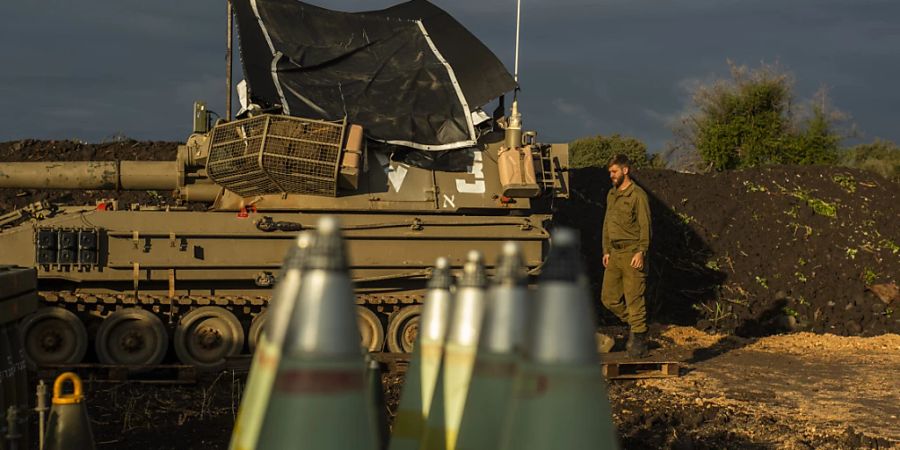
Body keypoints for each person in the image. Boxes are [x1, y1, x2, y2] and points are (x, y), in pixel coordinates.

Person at [601, 154, 652, 358]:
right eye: (610, 173)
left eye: (614, 171)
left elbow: (645, 226)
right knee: (608, 298)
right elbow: (607, 223)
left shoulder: (638, 195)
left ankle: (638, 342)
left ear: (625, 170)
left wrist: (641, 251)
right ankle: (638, 326)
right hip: (614, 254)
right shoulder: (611, 195)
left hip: (632, 253)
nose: (611, 176)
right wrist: (606, 250)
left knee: (634, 299)